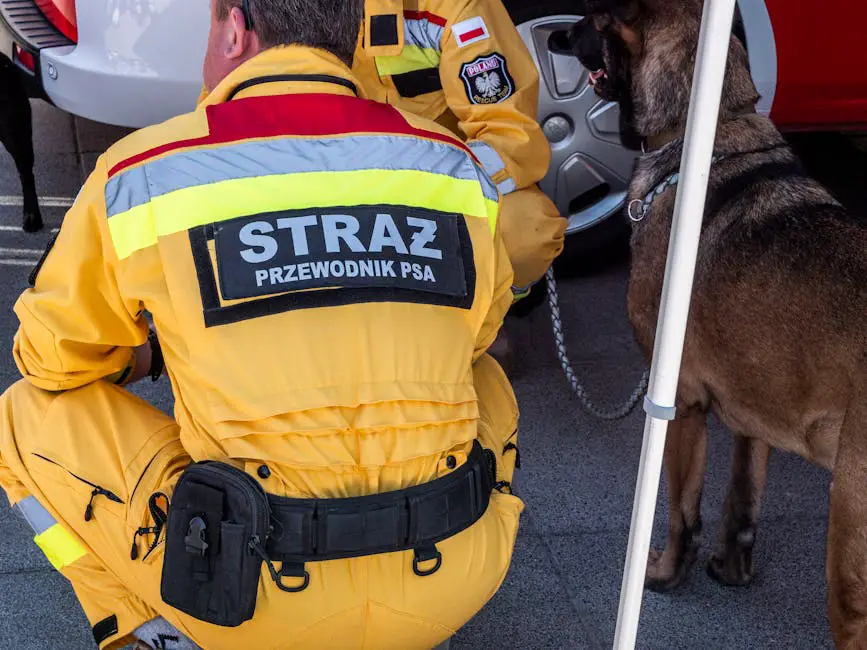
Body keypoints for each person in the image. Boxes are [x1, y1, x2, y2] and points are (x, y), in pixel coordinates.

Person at [0, 1, 524, 648]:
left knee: (22, 414)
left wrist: (154, 351)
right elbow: (478, 331)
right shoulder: (451, 163)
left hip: (245, 597)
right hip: (452, 576)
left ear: (235, 28)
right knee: (487, 375)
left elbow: (49, 360)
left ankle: (145, 631)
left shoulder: (141, 174)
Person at [352, 0, 567, 303]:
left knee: (523, 231)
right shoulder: (276, 13)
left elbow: (509, 135)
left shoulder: (452, 6)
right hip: (329, 193)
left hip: (437, 195)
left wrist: (415, 199)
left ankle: (490, 319)